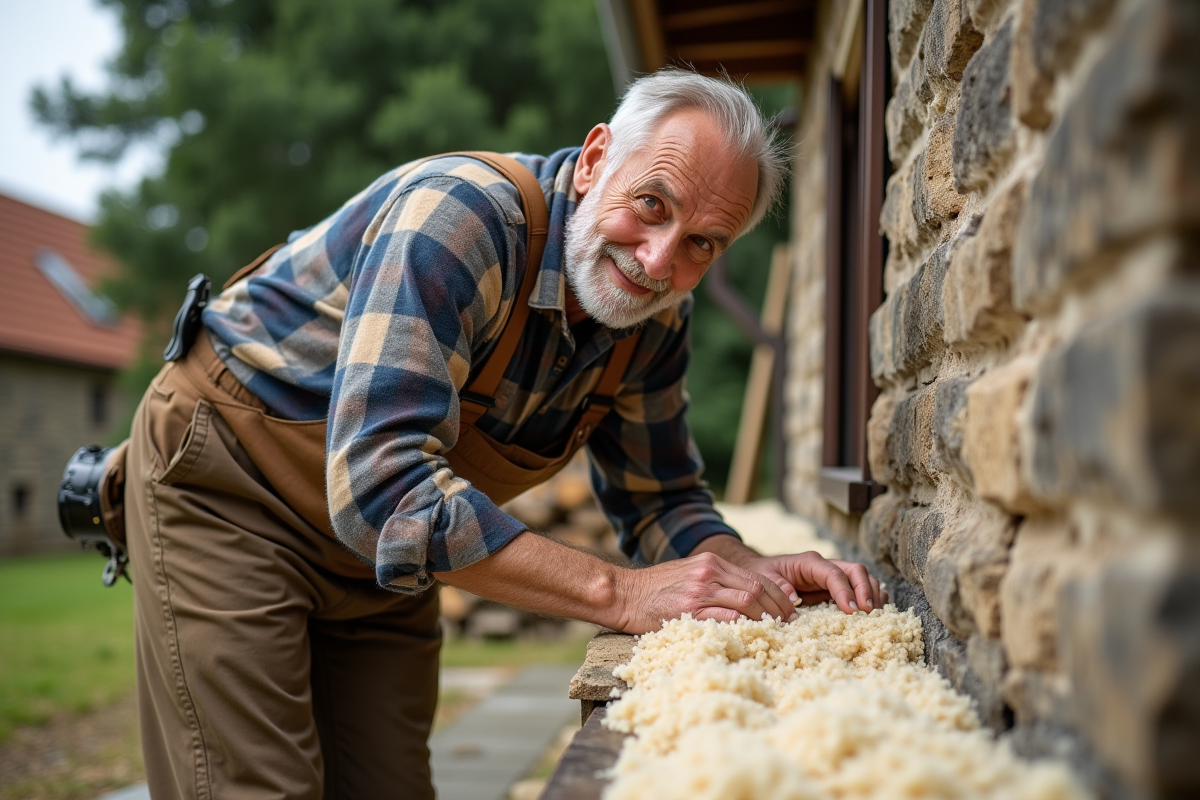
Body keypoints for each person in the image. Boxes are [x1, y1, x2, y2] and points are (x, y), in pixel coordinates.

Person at [124, 68, 887, 799]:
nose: (659, 260)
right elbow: (383, 487)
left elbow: (661, 500)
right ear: (595, 160)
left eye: (703, 244)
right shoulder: (459, 217)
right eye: (653, 204)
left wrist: (751, 569)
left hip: (379, 556)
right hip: (231, 489)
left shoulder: (653, 320)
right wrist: (619, 594)